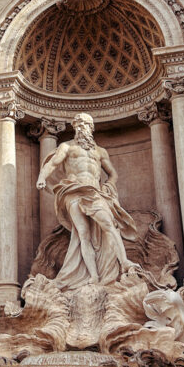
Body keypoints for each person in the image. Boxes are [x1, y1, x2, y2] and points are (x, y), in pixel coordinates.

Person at [35, 112, 137, 289]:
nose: (82, 127)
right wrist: (42, 177)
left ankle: (125, 262)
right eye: (79, 124)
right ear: (75, 128)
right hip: (73, 191)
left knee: (109, 225)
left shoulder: (100, 151)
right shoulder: (67, 147)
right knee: (83, 234)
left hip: (94, 192)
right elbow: (52, 164)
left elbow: (113, 174)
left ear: (91, 128)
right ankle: (93, 276)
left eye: (86, 124)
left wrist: (109, 185)